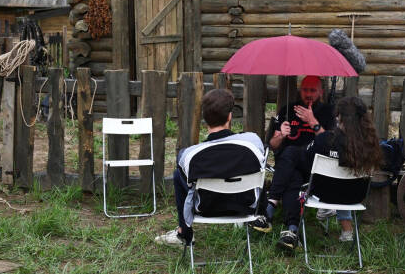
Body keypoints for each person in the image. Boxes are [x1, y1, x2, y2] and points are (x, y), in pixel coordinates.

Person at [252, 96, 382, 249]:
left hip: (323, 194)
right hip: (355, 197)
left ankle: (272, 207)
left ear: (339, 117)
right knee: (294, 173)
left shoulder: (326, 140)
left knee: (292, 157)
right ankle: (291, 230)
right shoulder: (372, 147)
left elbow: (305, 155)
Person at [155, 89, 265, 247]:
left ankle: (184, 233)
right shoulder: (253, 142)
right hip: (246, 206)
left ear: (204, 119)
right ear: (230, 116)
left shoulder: (189, 155)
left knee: (178, 174)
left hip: (206, 208)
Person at [251, 75, 336, 250]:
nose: (308, 94)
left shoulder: (327, 112)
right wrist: (280, 135)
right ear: (300, 90)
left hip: (315, 167)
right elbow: (272, 146)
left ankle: (271, 204)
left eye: (313, 90)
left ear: (320, 92)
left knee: (291, 152)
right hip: (287, 169)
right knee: (293, 179)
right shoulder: (287, 110)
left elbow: (331, 144)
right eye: (305, 90)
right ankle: (292, 231)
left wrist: (313, 122)